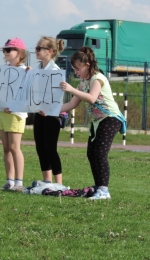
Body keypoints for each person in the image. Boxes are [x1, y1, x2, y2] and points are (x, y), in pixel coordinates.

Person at [59, 46, 122, 199]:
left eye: (78, 69)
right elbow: (72, 104)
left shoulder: (97, 78)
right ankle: (99, 187)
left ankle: (104, 190)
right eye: (74, 69)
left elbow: (92, 98)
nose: (76, 72)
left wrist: (72, 89)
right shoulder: (83, 83)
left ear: (87, 65)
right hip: (97, 122)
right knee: (91, 153)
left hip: (110, 118)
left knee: (100, 153)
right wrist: (51, 110)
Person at [0, 38, 28, 191]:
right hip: (3, 112)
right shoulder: (3, 70)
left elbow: (26, 94)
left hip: (16, 114)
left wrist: (13, 106)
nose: (5, 53)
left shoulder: (24, 71)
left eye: (9, 50)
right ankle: (9, 181)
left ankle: (19, 182)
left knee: (15, 147)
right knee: (6, 147)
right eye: (4, 50)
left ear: (19, 53)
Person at [32, 36, 65, 186]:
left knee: (50, 148)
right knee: (40, 147)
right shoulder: (37, 69)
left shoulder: (56, 71)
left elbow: (57, 95)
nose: (36, 51)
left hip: (51, 115)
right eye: (36, 48)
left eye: (40, 48)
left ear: (50, 51)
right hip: (39, 113)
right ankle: (47, 182)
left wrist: (48, 109)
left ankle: (58, 184)